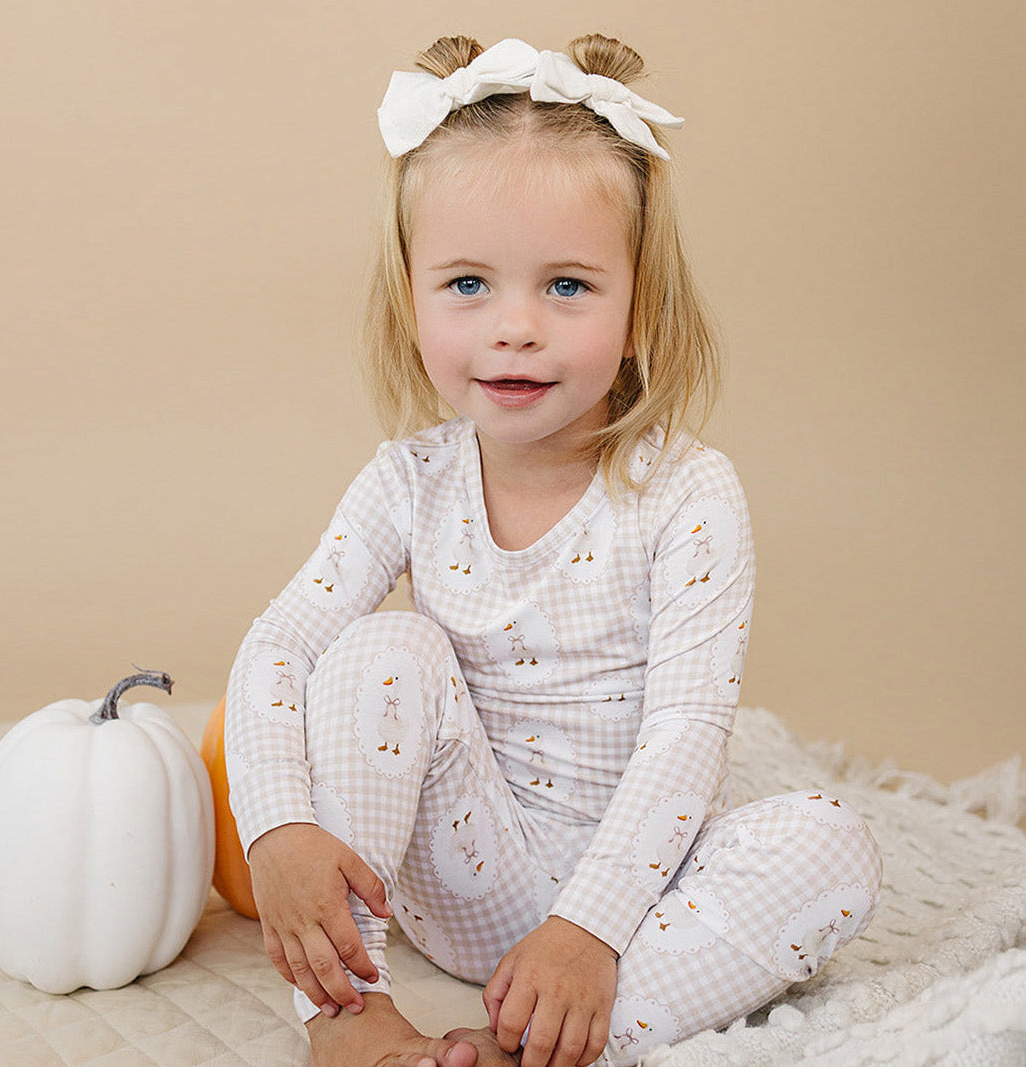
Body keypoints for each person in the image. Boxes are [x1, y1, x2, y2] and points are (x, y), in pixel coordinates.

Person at [224, 34, 882, 1067]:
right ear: (410, 298)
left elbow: (685, 732)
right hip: (463, 879)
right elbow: (279, 645)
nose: (515, 327)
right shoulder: (409, 479)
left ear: (638, 309)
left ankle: (530, 1041)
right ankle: (350, 1018)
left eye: (567, 286)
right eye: (466, 284)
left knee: (831, 843)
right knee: (378, 647)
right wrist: (275, 828)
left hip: (635, 903)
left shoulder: (687, 492)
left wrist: (589, 926)